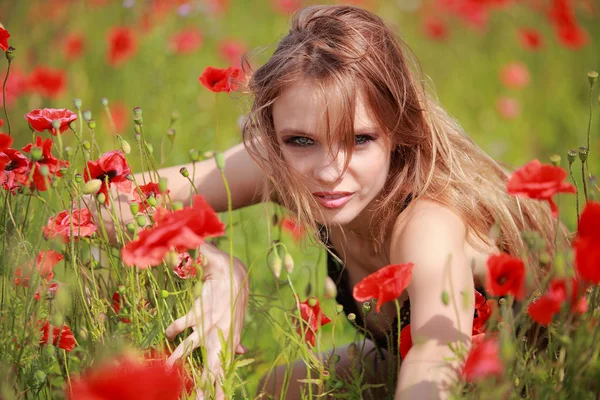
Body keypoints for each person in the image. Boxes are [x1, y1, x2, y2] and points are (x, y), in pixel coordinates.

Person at [95, 4, 558, 399]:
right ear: (272, 133)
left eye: (359, 139)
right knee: (270, 389)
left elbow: (438, 351)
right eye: (300, 140)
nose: (330, 171)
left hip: (537, 376)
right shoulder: (283, 165)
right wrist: (216, 267)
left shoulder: (427, 219)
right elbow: (103, 200)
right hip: (396, 357)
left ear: (397, 130)